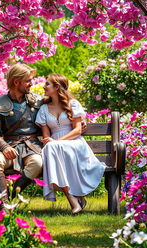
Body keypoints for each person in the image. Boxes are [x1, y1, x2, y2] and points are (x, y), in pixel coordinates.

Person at [35, 74, 106, 214]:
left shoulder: (72, 104)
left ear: (56, 87)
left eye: (47, 84)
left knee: (52, 146)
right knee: (50, 147)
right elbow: (46, 136)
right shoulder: (43, 109)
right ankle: (73, 200)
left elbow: (78, 130)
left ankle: (77, 197)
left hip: (74, 143)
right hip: (54, 147)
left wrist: (56, 142)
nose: (44, 87)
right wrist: (52, 141)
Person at [0, 63, 43, 206]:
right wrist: (3, 147)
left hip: (32, 148)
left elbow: (60, 107)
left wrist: (77, 120)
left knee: (37, 163)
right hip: (9, 146)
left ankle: (10, 198)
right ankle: (3, 206)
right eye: (28, 80)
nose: (31, 84)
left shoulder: (37, 102)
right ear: (16, 82)